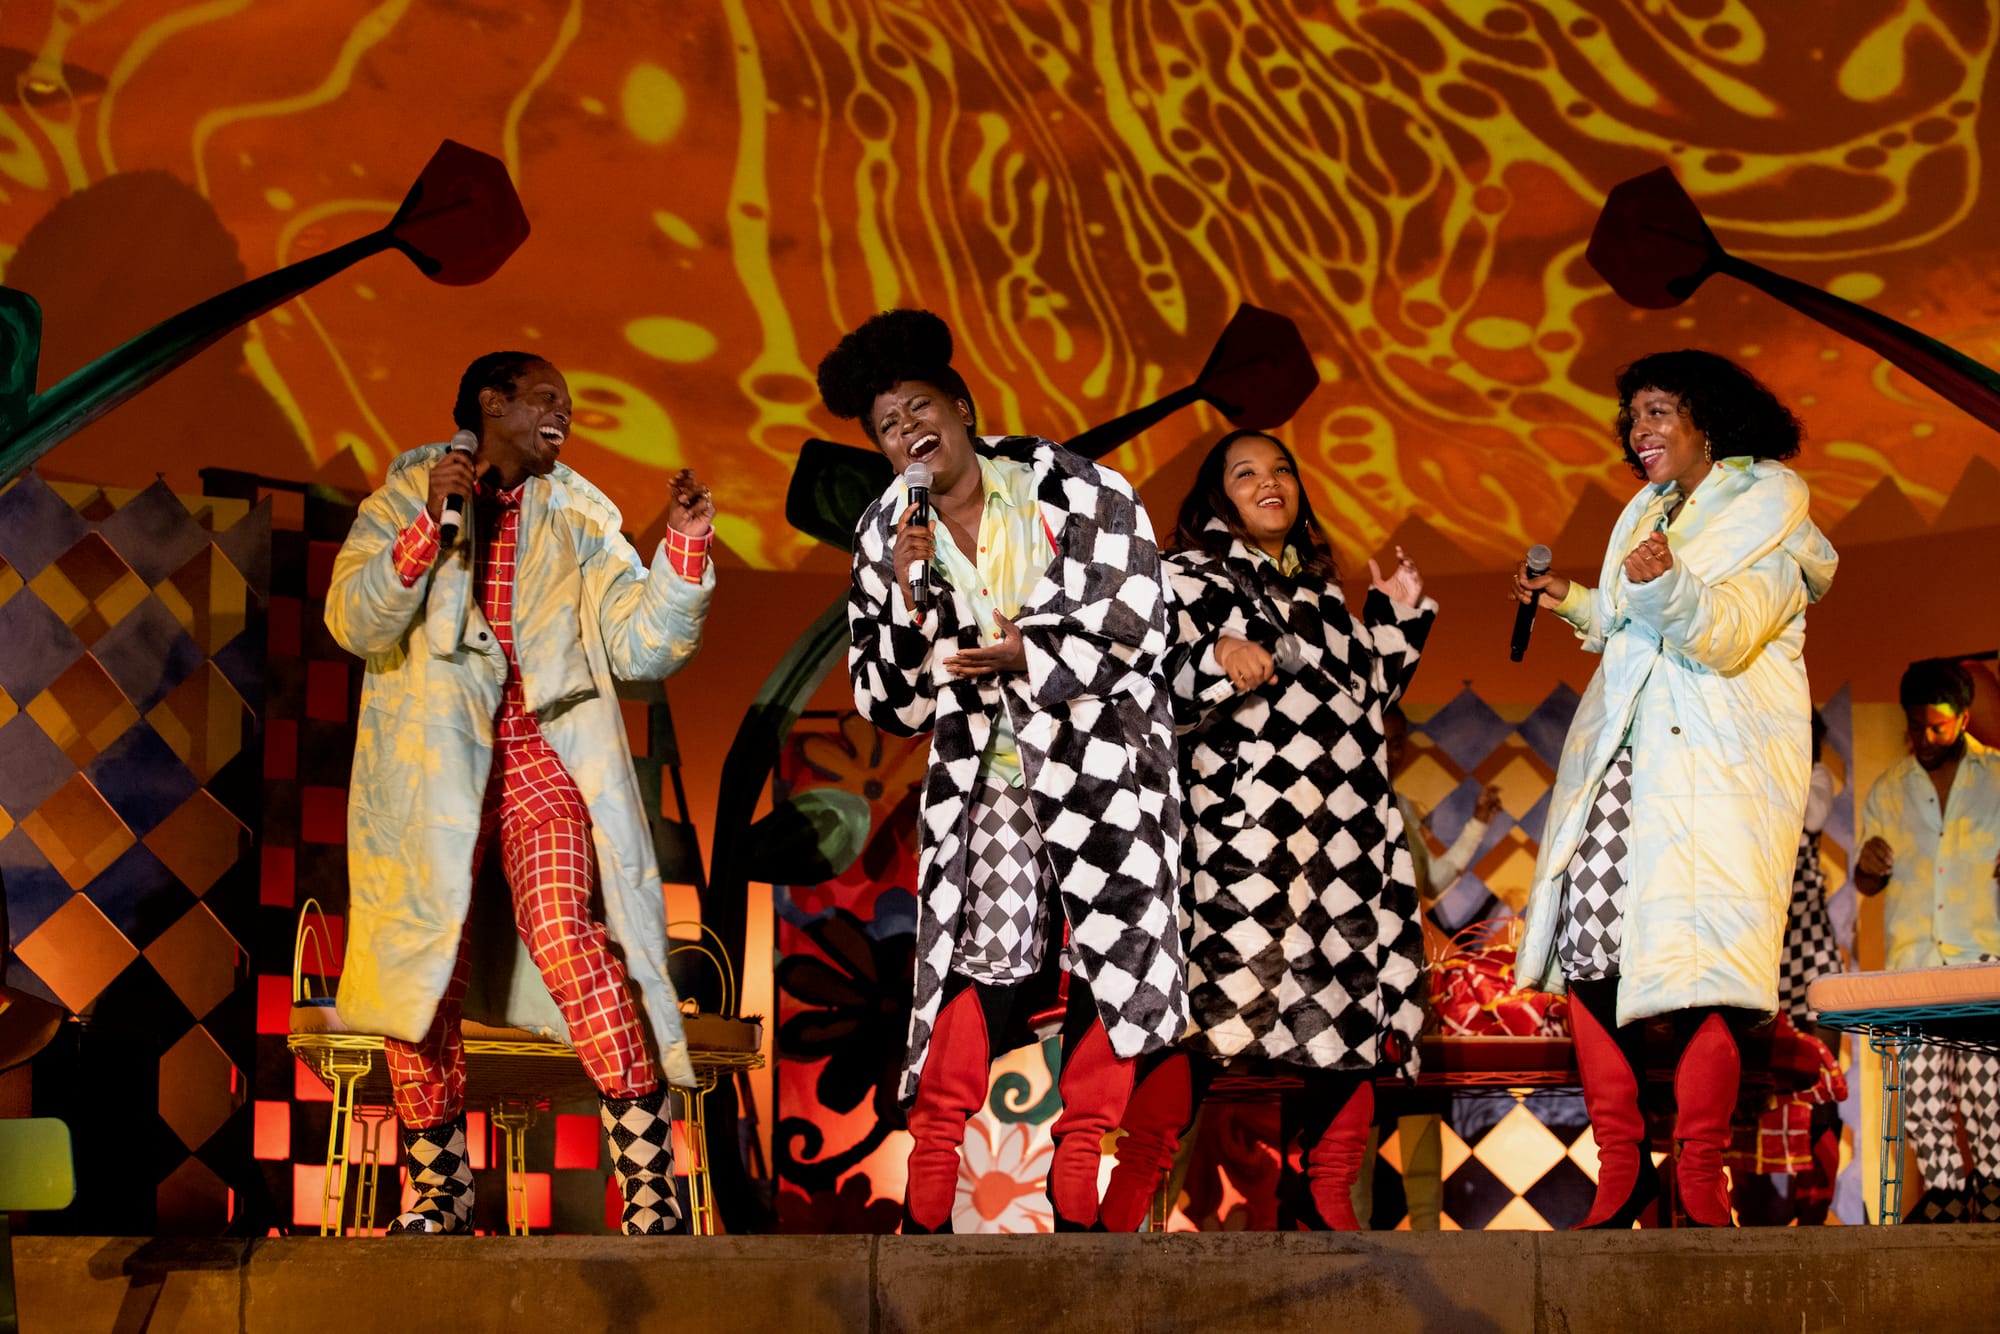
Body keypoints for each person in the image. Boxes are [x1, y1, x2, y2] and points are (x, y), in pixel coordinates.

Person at [326, 351, 716, 1234]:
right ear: (491, 403)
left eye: (567, 404)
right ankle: (441, 1193)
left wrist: (684, 550)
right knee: (422, 979)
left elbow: (641, 647)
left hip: (542, 758)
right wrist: (426, 528)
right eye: (545, 398)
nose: (562, 415)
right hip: (431, 770)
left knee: (571, 942)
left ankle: (649, 1189)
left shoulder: (580, 516)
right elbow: (355, 621)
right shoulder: (403, 497)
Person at [819, 309, 1187, 1233]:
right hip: (987, 770)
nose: (908, 430)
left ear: (963, 408)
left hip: (1104, 758)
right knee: (979, 956)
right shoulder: (884, 533)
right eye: (888, 425)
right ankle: (933, 1166)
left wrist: (1034, 652)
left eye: (919, 407)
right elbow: (888, 700)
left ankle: (1079, 1162)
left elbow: (1143, 620)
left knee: (1115, 956)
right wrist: (901, 598)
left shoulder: (1082, 489)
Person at [1510, 349, 1837, 1228]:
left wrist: (1667, 585)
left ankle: (1698, 1173)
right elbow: (1629, 625)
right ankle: (1623, 1169)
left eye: (1657, 412)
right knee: (1590, 954)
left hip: (1715, 780)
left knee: (1706, 969)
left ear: (1708, 420)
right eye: (1633, 417)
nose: (1638, 432)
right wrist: (1572, 599)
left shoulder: (1773, 525)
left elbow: (1722, 634)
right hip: (1626, 767)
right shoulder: (1650, 513)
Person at [1097, 427, 1436, 1232]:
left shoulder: (1323, 597)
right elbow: (1148, 683)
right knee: (1207, 1014)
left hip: (1345, 844)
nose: (1268, 481)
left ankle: (1330, 1205)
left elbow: (1363, 698)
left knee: (1349, 1014)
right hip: (1244, 841)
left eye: (1281, 469)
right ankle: (1119, 1214)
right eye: (1245, 473)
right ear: (1217, 497)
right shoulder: (1184, 576)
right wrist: (1216, 655)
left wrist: (1395, 617)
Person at [1854, 659, 2000, 1220]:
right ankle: (1945, 1195)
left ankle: (1992, 1194)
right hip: (1913, 964)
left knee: (1987, 1091)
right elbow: (1868, 881)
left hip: (1982, 960)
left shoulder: (1997, 778)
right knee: (1920, 1095)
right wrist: (1868, 865)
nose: (1924, 739)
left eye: (1936, 727)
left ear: (1963, 718)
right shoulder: (1890, 789)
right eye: (1915, 726)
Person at [1363, 703, 1501, 1230]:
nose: (1392, 752)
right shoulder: (1347, 804)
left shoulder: (1400, 805)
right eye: (1384, 740)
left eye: (1400, 742)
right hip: (1359, 979)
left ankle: (1429, 1231)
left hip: (1407, 976)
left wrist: (1477, 824)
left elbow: (1431, 882)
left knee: (1416, 1096)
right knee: (1359, 1107)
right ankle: (1351, 1234)